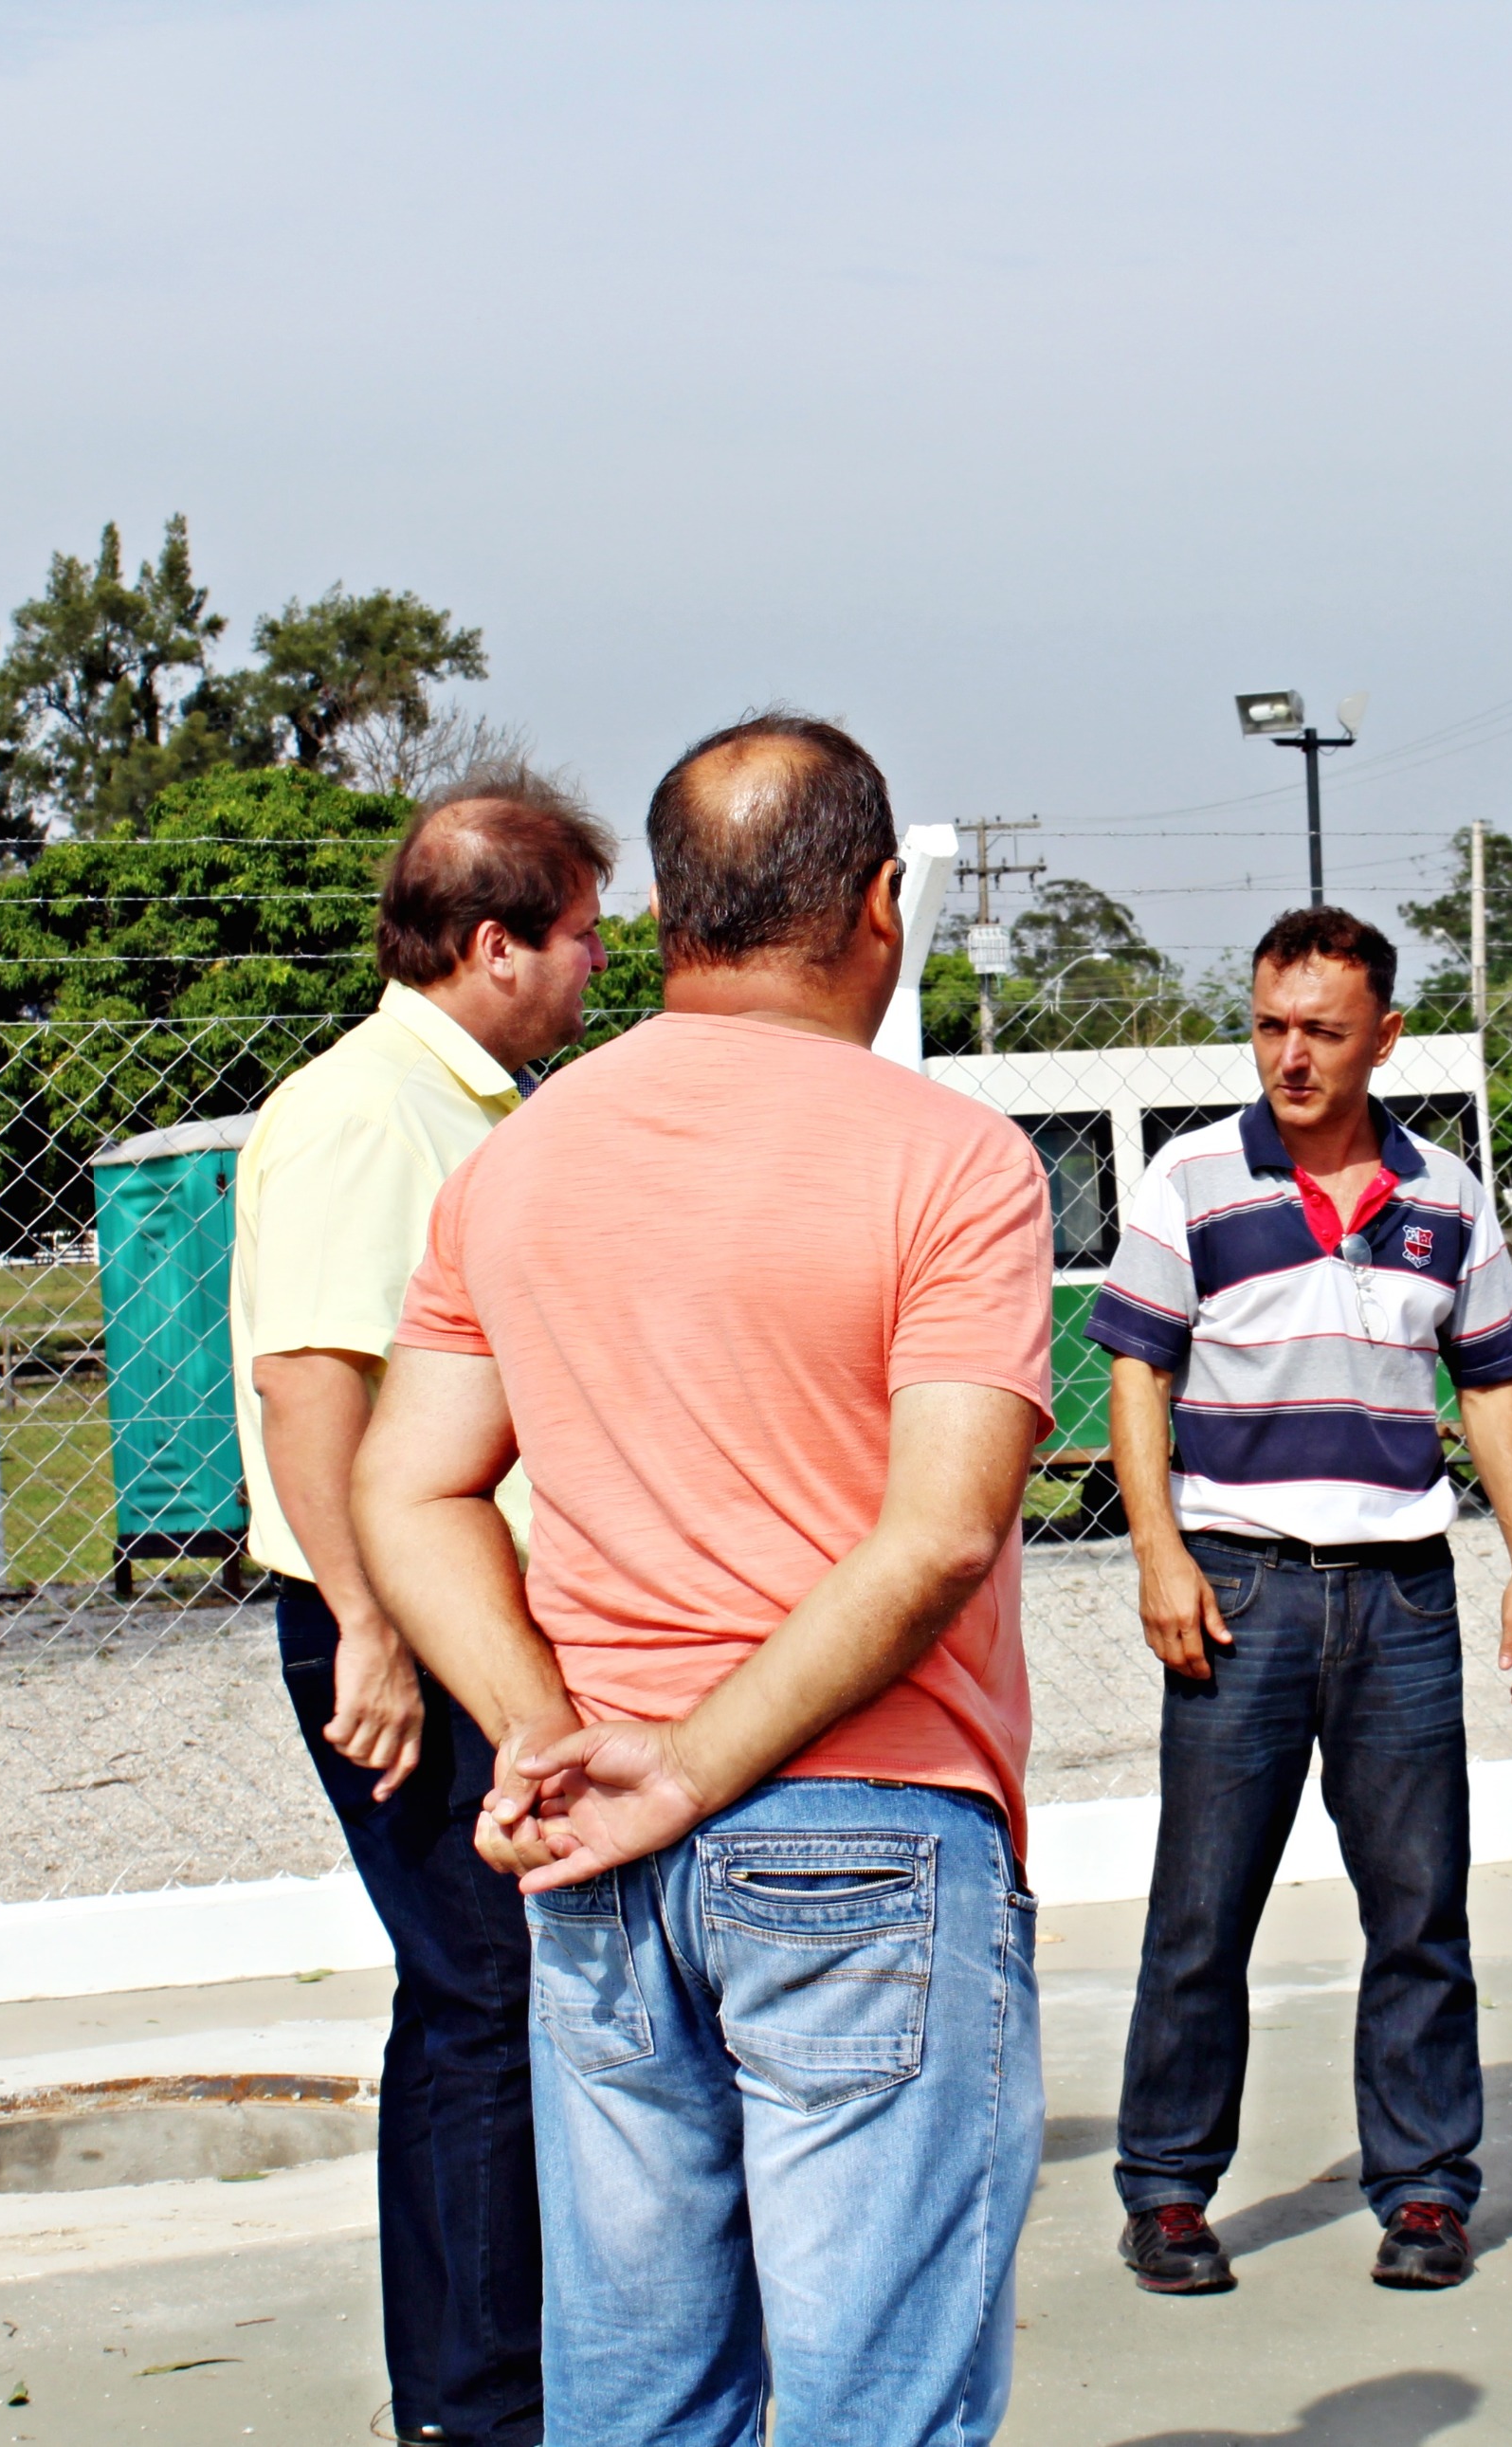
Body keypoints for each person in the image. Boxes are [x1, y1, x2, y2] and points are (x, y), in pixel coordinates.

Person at [352, 713, 1053, 2447]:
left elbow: (408, 1482)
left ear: (669, 914)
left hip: (598, 1844)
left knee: (640, 2395)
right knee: (876, 2400)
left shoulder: (518, 1163)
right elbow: (939, 1529)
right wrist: (692, 1761)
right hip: (864, 1823)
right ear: (879, 906)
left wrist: (547, 1732)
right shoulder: (952, 1159)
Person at [1084, 906, 1512, 2299]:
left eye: (1323, 1031)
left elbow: (1489, 1383)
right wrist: (1158, 1553)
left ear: (1385, 1038)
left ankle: (1424, 2188)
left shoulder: (1446, 1196)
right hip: (1238, 1593)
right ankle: (1169, 2191)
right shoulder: (1190, 1179)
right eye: (1270, 1026)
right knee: (1201, 1913)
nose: (1290, 1056)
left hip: (1402, 1601)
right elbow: (1136, 1372)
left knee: (1420, 1911)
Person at [229, 767, 615, 2447]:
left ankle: (497, 2375)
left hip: (459, 1612)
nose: (598, 961)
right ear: (491, 943)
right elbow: (309, 1385)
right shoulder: (366, 1112)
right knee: (482, 1993)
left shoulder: (475, 1106)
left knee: (490, 1992)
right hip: (395, 1624)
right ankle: (475, 2404)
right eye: (581, 933)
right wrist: (375, 1631)